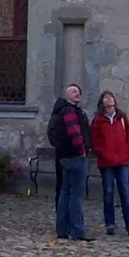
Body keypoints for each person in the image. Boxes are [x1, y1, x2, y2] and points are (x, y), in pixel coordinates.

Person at [91, 90, 129, 237]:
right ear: (102, 102)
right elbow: (94, 140)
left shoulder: (122, 118)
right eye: (105, 97)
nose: (108, 99)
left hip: (122, 161)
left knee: (125, 193)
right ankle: (110, 224)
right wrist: (102, 152)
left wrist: (127, 150)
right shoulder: (98, 120)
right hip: (106, 162)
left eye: (110, 97)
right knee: (108, 192)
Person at [47, 83, 92, 241]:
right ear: (67, 96)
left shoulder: (61, 111)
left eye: (79, 91)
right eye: (74, 92)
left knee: (65, 192)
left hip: (64, 157)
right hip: (74, 156)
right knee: (75, 194)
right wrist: (82, 151)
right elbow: (75, 133)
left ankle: (62, 229)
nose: (78, 93)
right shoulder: (69, 111)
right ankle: (77, 231)